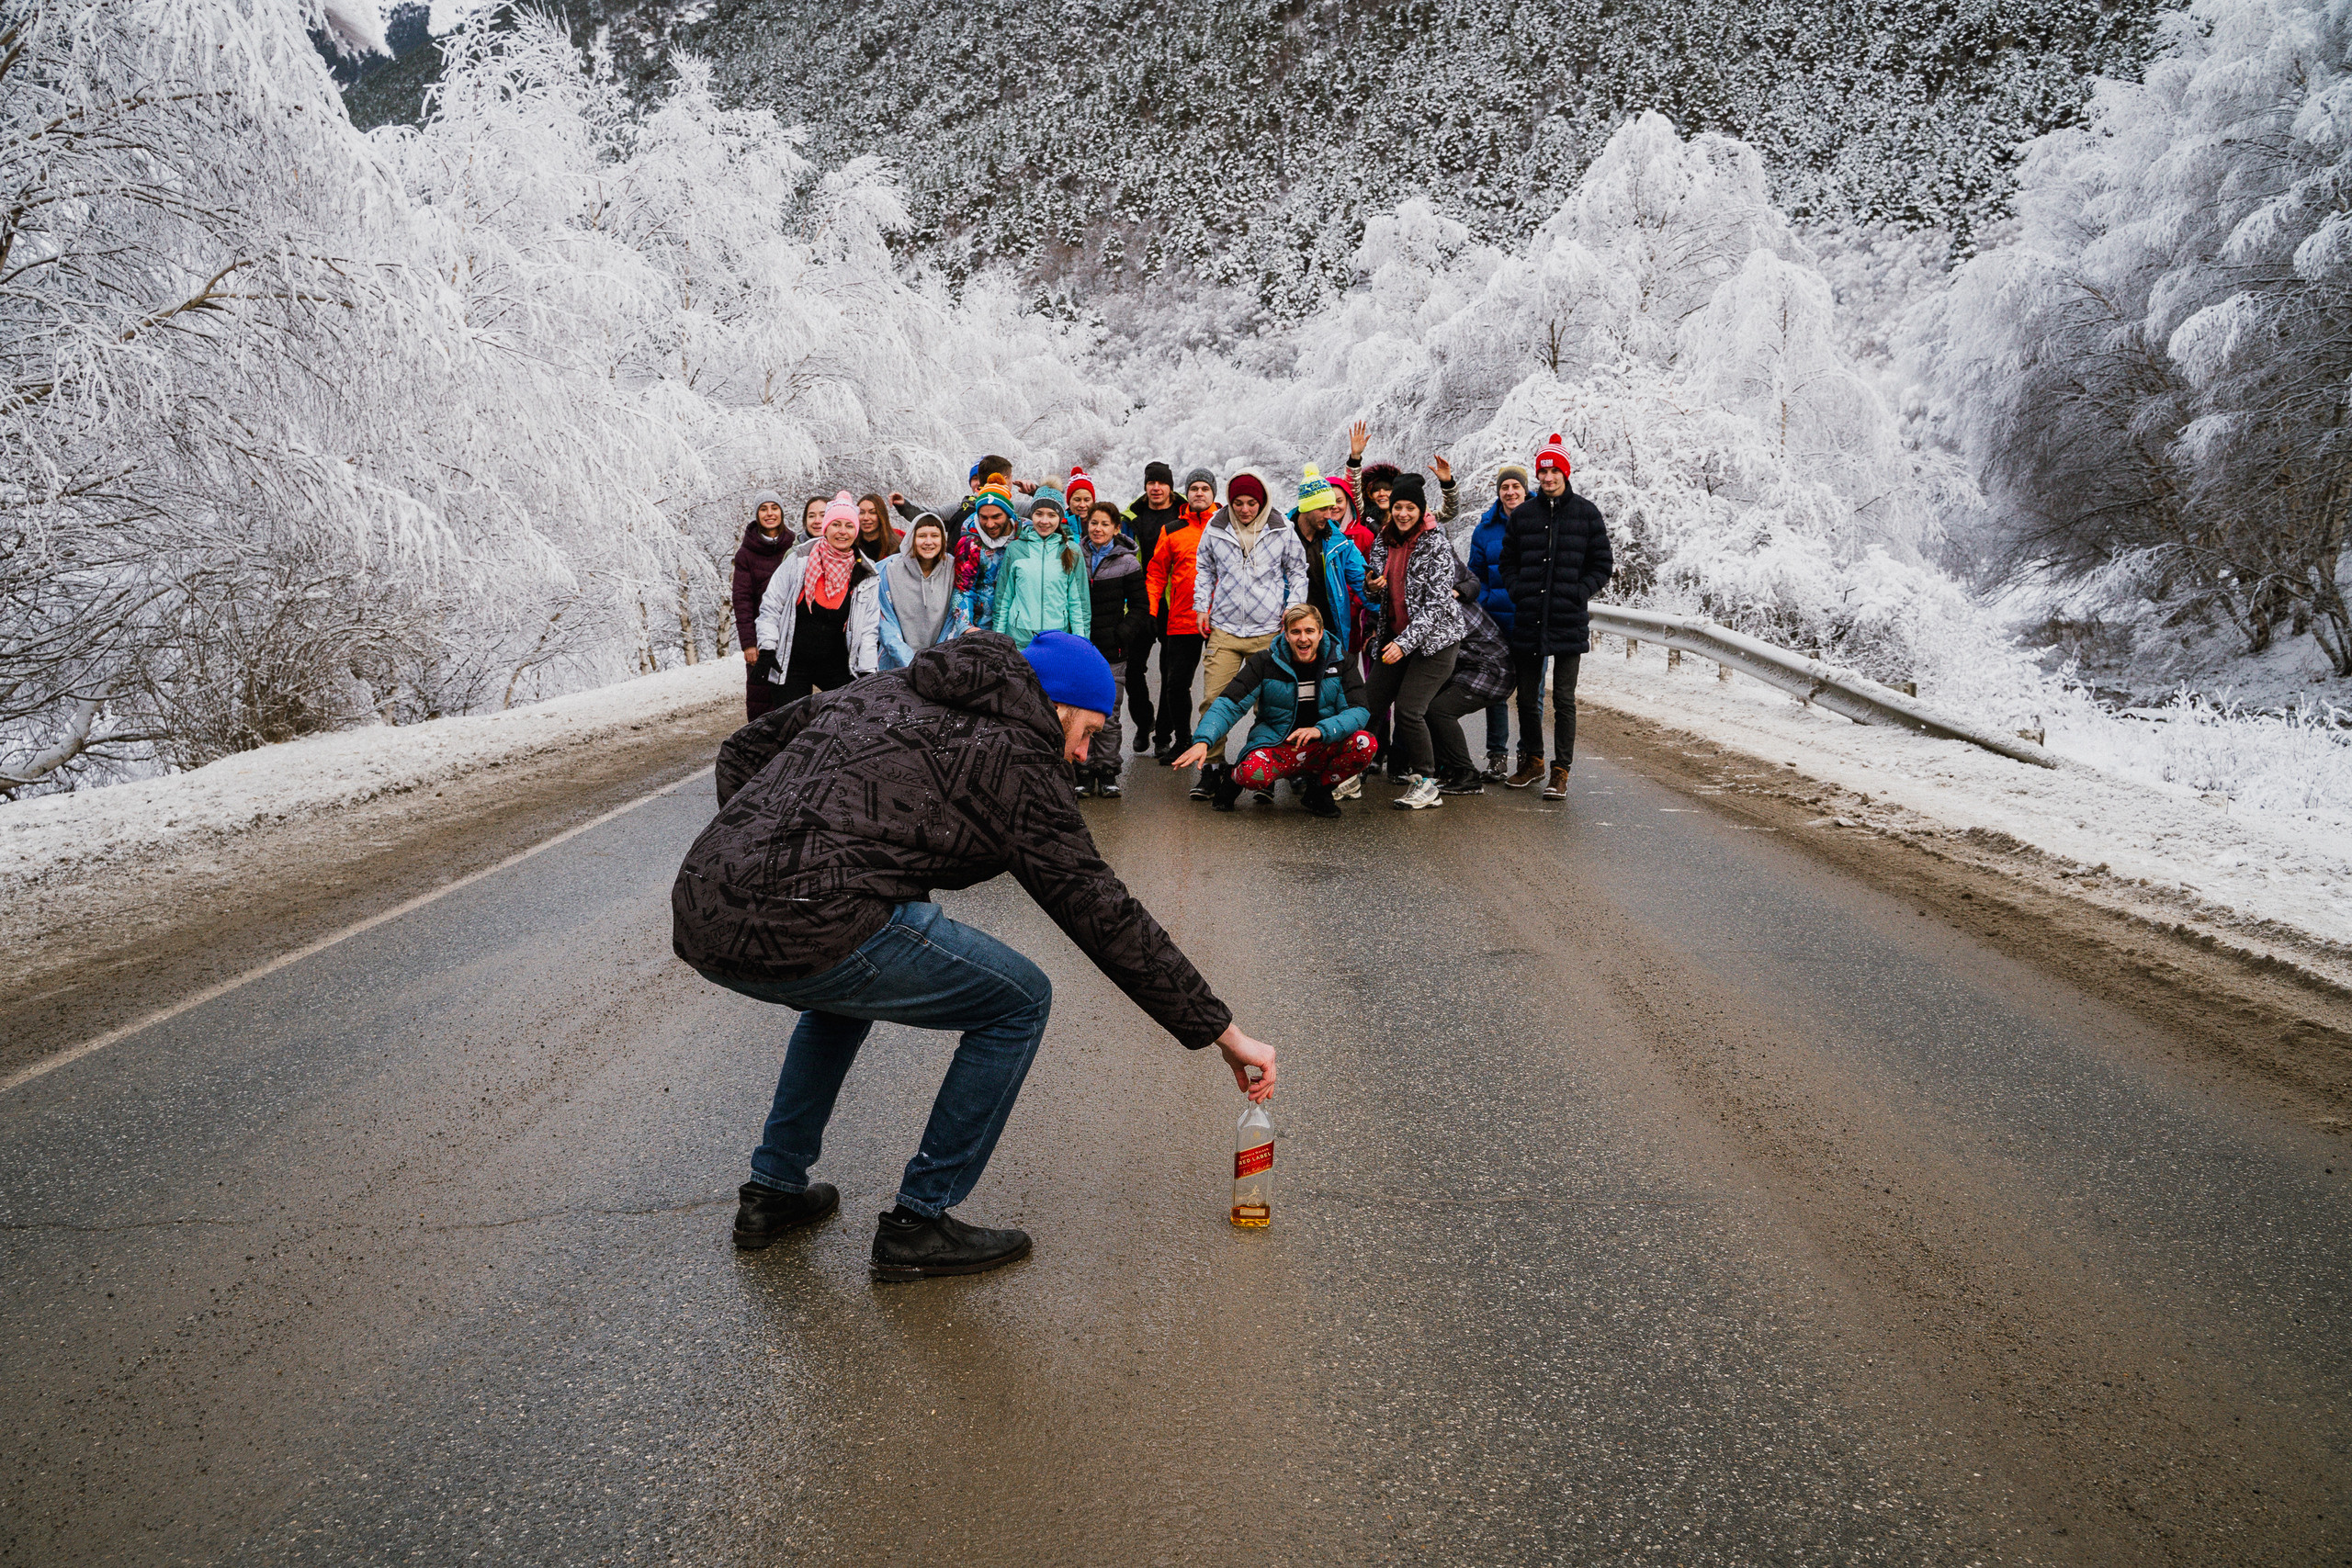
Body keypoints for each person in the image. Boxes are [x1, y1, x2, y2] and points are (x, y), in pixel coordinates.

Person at [673, 629, 1280, 1280]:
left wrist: (757, 862)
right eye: (1087, 732)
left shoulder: (889, 684)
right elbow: (1102, 910)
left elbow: (745, 747)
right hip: (815, 916)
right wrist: (1223, 1031)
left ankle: (774, 1189)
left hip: (703, 904)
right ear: (1059, 703)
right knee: (1019, 999)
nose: (1080, 754)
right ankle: (920, 1220)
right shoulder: (1017, 756)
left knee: (843, 991)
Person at [1171, 604, 1374, 819]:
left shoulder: (1341, 661)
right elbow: (1229, 704)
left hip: (1323, 743)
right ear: (1285, 635)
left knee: (1366, 743)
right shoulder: (1264, 662)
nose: (1303, 638)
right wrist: (1203, 740)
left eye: (1309, 631)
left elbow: (1358, 710)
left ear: (1321, 633)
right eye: (1295, 632)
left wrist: (1320, 730)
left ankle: (1319, 791)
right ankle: (1232, 778)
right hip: (1278, 745)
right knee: (1252, 774)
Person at [1501, 434, 1614, 801]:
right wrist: (1519, 589)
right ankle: (1533, 761)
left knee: (1563, 698)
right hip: (1529, 617)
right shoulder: (1524, 516)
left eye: (1554, 470)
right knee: (1526, 697)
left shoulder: (1586, 512)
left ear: (1565, 472)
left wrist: (1579, 592)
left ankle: (1561, 771)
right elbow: (1508, 562)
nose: (1548, 477)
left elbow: (1602, 564)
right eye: (1543, 471)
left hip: (1568, 619)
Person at [1191, 468, 1308, 802]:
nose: (1244, 509)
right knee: (1214, 699)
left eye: (1251, 503)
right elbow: (1205, 570)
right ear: (1229, 502)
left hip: (1267, 629)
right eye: (1238, 503)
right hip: (1225, 628)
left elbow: (1298, 571)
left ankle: (1264, 769)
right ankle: (1211, 769)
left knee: (1268, 707)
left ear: (1263, 501)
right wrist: (1202, 607)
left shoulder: (1282, 529)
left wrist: (1294, 606)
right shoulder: (1215, 528)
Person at [1363, 473, 1466, 811]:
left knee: (1409, 709)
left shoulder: (1436, 544)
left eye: (1410, 508)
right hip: (1397, 634)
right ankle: (1351, 770)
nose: (1403, 514)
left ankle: (1426, 783)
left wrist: (1404, 644)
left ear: (1421, 511)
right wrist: (1373, 584)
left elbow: (1437, 605)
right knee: (1369, 706)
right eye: (1397, 507)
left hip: (1435, 642)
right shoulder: (1385, 537)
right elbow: (1376, 571)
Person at [753, 492, 883, 705]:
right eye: (836, 524)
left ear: (856, 531)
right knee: (790, 725)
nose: (842, 532)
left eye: (849, 526)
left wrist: (868, 671)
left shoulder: (866, 573)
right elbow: (771, 607)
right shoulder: (799, 561)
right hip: (793, 661)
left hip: (836, 664)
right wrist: (767, 649)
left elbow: (868, 629)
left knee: (847, 719)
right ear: (826, 528)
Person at [1424, 558, 1516, 795]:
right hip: (1473, 665)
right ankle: (1449, 769)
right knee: (1425, 705)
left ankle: (1467, 775)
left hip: (1493, 671)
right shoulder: (1442, 592)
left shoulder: (1447, 604)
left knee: (1439, 711)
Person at [1464, 464, 1531, 781]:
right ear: (1499, 491)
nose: (1510, 492)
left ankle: (1530, 755)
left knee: (1532, 693)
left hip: (1531, 621)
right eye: (1505, 487)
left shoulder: (1540, 521)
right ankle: (1497, 756)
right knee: (1497, 692)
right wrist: (1486, 603)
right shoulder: (1485, 528)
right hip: (1496, 624)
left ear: (1525, 489)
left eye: (1516, 486)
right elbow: (1474, 574)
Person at [1144, 477, 1215, 770]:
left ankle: (1213, 743)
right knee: (1175, 685)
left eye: (1205, 488)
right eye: (1194, 488)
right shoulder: (1172, 529)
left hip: (1221, 619)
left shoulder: (1224, 526)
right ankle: (1183, 740)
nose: (1199, 493)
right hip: (1183, 619)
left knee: (1218, 688)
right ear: (1186, 494)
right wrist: (1150, 611)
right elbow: (1157, 574)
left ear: (1213, 493)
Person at [1080, 502, 1149, 797]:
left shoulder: (1128, 563)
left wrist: (1122, 634)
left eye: (1105, 524)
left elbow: (1140, 607)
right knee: (1080, 711)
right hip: (1081, 647)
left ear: (1116, 528)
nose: (1098, 528)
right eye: (1094, 523)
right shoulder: (1074, 556)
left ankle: (1107, 771)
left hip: (1113, 651)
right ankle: (1082, 770)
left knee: (1108, 714)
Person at [1119, 461, 1183, 750]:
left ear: (1170, 486)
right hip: (1139, 601)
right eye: (1151, 483)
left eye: (1161, 483)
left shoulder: (1184, 514)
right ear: (1145, 486)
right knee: (1132, 669)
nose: (1156, 488)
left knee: (1172, 671)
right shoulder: (1131, 517)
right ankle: (1144, 723)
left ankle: (1163, 735)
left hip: (1175, 602)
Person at [991, 484, 1091, 649]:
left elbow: (1078, 604)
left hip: (1057, 640)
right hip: (1019, 640)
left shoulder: (1072, 550)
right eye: (1039, 514)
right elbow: (1003, 600)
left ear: (1060, 517)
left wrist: (1081, 645)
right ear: (1032, 515)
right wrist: (998, 643)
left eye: (1052, 515)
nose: (1044, 521)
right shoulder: (1015, 549)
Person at [734, 490, 797, 720]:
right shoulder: (746, 554)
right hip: (761, 638)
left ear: (781, 512)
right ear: (757, 515)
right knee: (761, 698)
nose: (769, 514)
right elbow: (742, 600)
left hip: (792, 635)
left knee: (793, 699)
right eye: (763, 509)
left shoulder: (795, 545)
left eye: (774, 508)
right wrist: (749, 643)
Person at [876, 512, 966, 670]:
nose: (929, 542)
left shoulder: (953, 569)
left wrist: (933, 662)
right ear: (911, 538)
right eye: (922, 536)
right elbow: (886, 622)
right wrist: (911, 663)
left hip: (939, 664)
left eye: (935, 536)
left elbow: (954, 617)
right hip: (895, 664)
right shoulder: (889, 570)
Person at [953, 479, 1023, 634]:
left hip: (1018, 626)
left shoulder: (1025, 535)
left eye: (996, 517)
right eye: (984, 517)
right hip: (981, 627)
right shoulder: (970, 543)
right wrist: (966, 627)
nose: (990, 524)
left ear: (1008, 513)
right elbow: (963, 588)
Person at [855, 493, 900, 561]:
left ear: (882, 516)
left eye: (872, 512)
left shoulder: (897, 547)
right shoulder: (850, 545)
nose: (866, 518)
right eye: (861, 512)